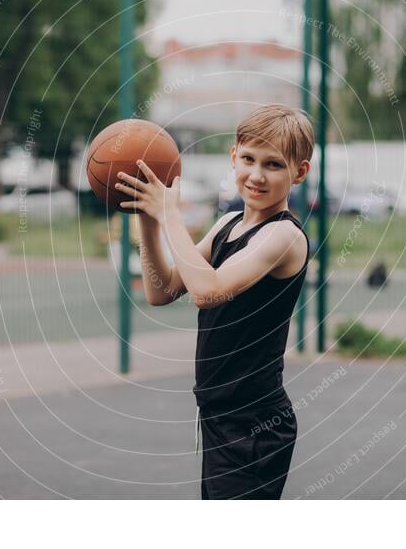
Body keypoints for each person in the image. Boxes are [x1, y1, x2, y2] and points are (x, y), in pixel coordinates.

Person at [115, 103, 314, 499]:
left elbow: (207, 291)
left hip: (254, 423)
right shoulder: (227, 225)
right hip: (218, 416)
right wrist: (149, 219)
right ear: (233, 157)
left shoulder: (284, 237)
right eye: (248, 159)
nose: (256, 175)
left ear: (300, 172)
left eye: (273, 165)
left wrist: (170, 213)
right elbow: (163, 290)